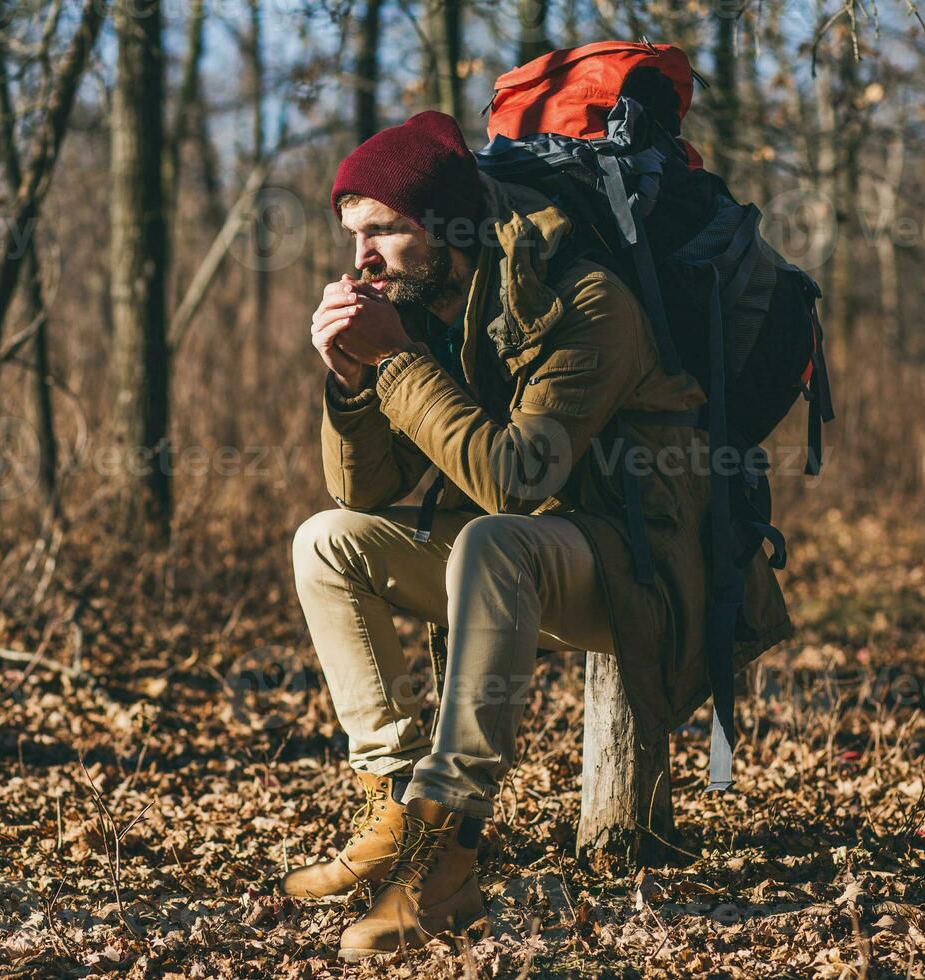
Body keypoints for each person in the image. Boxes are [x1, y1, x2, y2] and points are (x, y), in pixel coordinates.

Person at [282, 109, 793, 961]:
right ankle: (397, 807)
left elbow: (516, 479)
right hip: (531, 562)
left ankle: (448, 857)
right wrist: (350, 382)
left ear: (450, 228)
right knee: (328, 540)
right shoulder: (431, 301)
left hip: (650, 571)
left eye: (384, 232)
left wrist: (399, 363)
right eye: (353, 235)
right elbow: (363, 491)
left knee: (494, 538)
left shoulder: (586, 300)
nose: (361, 258)